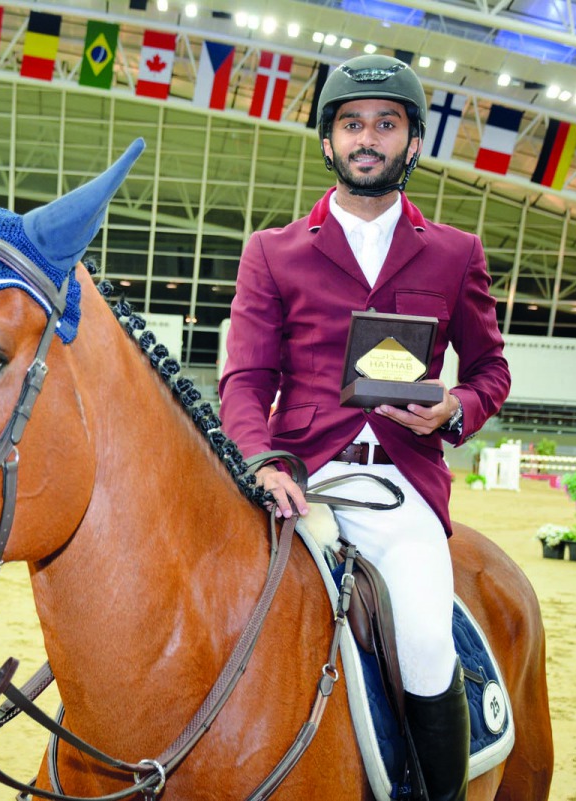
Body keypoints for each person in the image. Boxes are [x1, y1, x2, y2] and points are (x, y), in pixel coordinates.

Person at [218, 54, 510, 801]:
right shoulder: (271, 251)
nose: (367, 139)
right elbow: (247, 380)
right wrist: (261, 459)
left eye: (386, 124)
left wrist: (455, 408)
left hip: (399, 486)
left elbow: (490, 370)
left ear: (413, 143)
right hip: (301, 478)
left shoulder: (455, 253)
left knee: (420, 637)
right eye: (352, 124)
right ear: (328, 142)